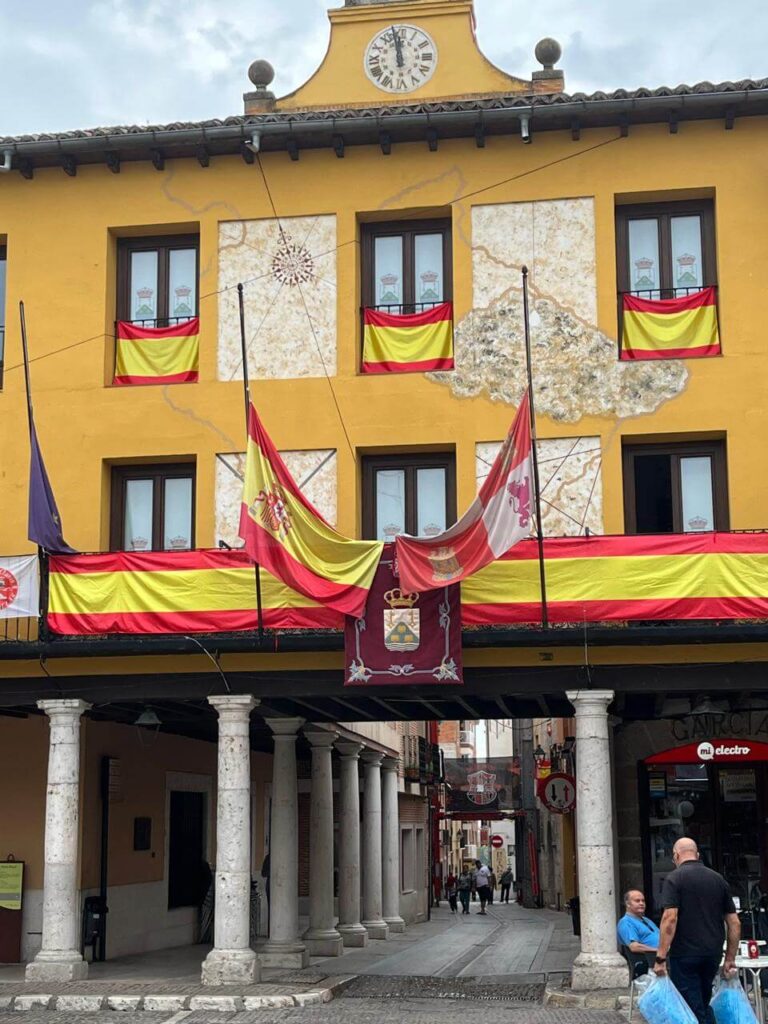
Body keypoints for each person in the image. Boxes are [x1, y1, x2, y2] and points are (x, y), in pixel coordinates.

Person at [653, 837, 740, 1024]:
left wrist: (660, 957)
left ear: (676, 855)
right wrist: (730, 958)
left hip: (685, 954)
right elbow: (735, 923)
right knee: (701, 1000)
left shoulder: (674, 879)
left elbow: (669, 918)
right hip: (712, 953)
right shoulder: (718, 879)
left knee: (691, 1008)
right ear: (698, 855)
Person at [616, 889, 660, 958]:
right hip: (651, 961)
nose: (641, 903)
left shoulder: (647, 920)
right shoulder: (625, 922)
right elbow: (634, 947)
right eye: (637, 901)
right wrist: (660, 951)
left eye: (643, 901)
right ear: (628, 904)